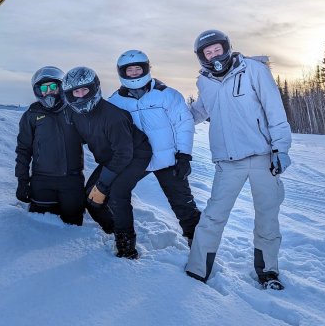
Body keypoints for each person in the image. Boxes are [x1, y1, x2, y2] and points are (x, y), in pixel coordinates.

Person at [184, 30, 292, 290]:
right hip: (227, 163)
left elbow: (274, 109)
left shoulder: (253, 70)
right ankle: (196, 271)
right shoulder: (205, 82)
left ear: (227, 48)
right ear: (201, 57)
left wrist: (281, 148)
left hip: (262, 158)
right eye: (207, 53)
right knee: (212, 217)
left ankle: (268, 272)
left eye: (216, 49)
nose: (213, 55)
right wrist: (170, 118)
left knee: (267, 217)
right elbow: (199, 111)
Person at [108, 50, 201, 246]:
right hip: (136, 160)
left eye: (138, 68)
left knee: (182, 203)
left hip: (168, 159)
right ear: (122, 72)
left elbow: (184, 124)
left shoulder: (167, 95)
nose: (134, 73)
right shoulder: (115, 101)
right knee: (117, 193)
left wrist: (184, 155)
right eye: (129, 70)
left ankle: (199, 244)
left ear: (146, 69)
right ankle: (124, 241)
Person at [62, 66, 152, 259]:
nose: (80, 96)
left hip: (136, 155)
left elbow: (124, 153)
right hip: (113, 159)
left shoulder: (112, 117)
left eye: (84, 90)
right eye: (75, 92)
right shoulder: (77, 115)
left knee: (116, 193)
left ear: (94, 89)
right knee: (91, 197)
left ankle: (127, 248)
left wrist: (103, 185)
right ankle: (112, 229)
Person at [15, 66, 85, 226]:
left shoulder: (74, 111)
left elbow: (94, 139)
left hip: (72, 180)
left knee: (73, 227)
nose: (49, 91)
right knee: (39, 225)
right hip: (42, 181)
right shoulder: (31, 115)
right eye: (44, 88)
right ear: (38, 90)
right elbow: (23, 150)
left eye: (53, 86)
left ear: (61, 87)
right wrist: (22, 181)